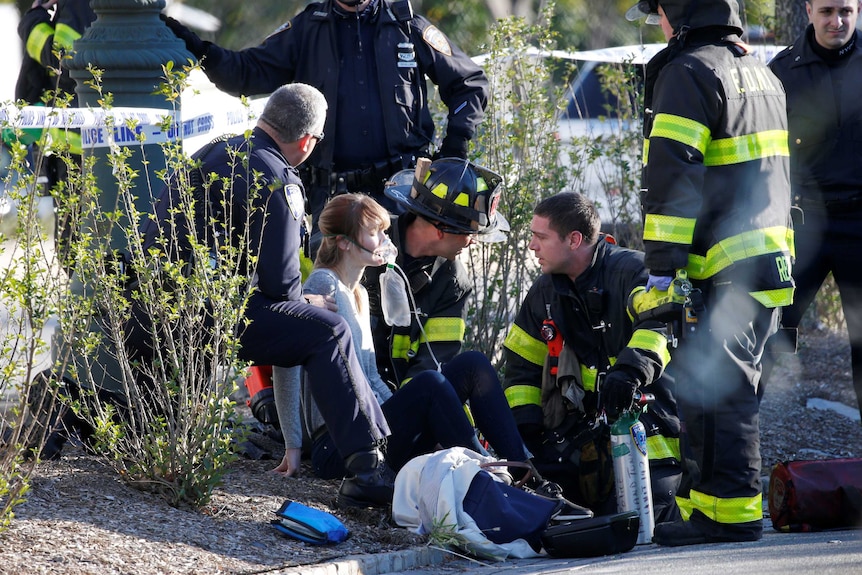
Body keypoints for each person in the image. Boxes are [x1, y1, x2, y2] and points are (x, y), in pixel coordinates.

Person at [129, 83, 396, 509]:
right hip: (200, 315)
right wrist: (310, 302)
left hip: (150, 312)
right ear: (306, 141)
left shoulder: (216, 152)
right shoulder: (277, 178)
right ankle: (368, 468)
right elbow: (281, 285)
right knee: (328, 330)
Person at [625, 0, 795, 545]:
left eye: (661, 13)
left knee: (725, 392)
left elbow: (674, 175)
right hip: (764, 254)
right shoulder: (759, 71)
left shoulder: (690, 71)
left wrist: (660, 268)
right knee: (712, 388)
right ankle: (708, 511)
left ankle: (731, 516)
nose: (660, 25)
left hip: (724, 261)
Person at [161, 0, 488, 227]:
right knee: (334, 302)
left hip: (403, 196)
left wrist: (454, 151)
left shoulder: (407, 25)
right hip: (332, 200)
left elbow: (469, 82)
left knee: (404, 301)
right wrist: (193, 45)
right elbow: (244, 74)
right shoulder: (307, 29)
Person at [271, 193, 530, 480]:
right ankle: (490, 479)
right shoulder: (324, 283)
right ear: (344, 242)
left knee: (472, 366)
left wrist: (407, 411)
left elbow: (370, 378)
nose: (385, 240)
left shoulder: (355, 292)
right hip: (338, 448)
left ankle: (525, 473)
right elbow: (286, 364)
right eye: (374, 233)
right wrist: (292, 445)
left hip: (371, 433)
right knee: (430, 383)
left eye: (384, 231)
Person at [502, 191, 681, 521]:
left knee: (639, 518)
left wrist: (629, 372)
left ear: (573, 239)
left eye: (540, 237)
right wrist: (527, 430)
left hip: (649, 424)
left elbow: (659, 326)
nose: (531, 246)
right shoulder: (544, 292)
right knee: (542, 509)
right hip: (584, 431)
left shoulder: (631, 271)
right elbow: (520, 365)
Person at [766, 0, 862, 422]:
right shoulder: (781, 71)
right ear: (807, 11)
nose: (836, 21)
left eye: (846, 10)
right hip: (799, 224)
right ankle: (740, 447)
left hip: (860, 225)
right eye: (826, 11)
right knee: (769, 331)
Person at [364, 157, 508, 387]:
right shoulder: (365, 242)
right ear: (441, 229)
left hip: (402, 403)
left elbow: (431, 365)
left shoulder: (454, 284)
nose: (472, 242)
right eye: (469, 232)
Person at [14, 0, 96, 268]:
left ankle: (87, 306)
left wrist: (33, 21)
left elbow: (64, 58)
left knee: (76, 242)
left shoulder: (78, 4)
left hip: (77, 149)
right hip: (79, 144)